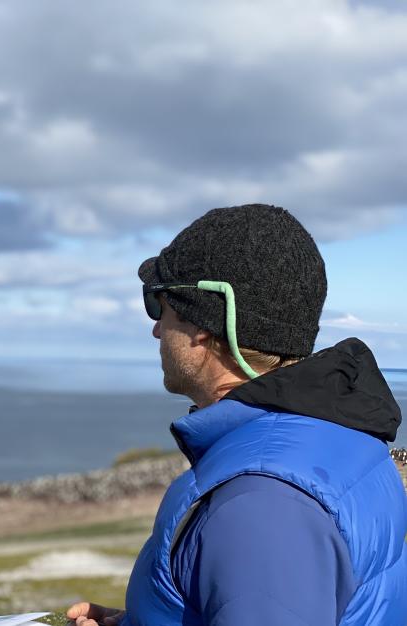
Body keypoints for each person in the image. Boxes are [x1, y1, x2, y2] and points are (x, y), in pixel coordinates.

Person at [67, 205, 407, 625]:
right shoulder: (340, 432)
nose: (156, 329)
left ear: (204, 325)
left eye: (161, 306)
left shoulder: (261, 504)